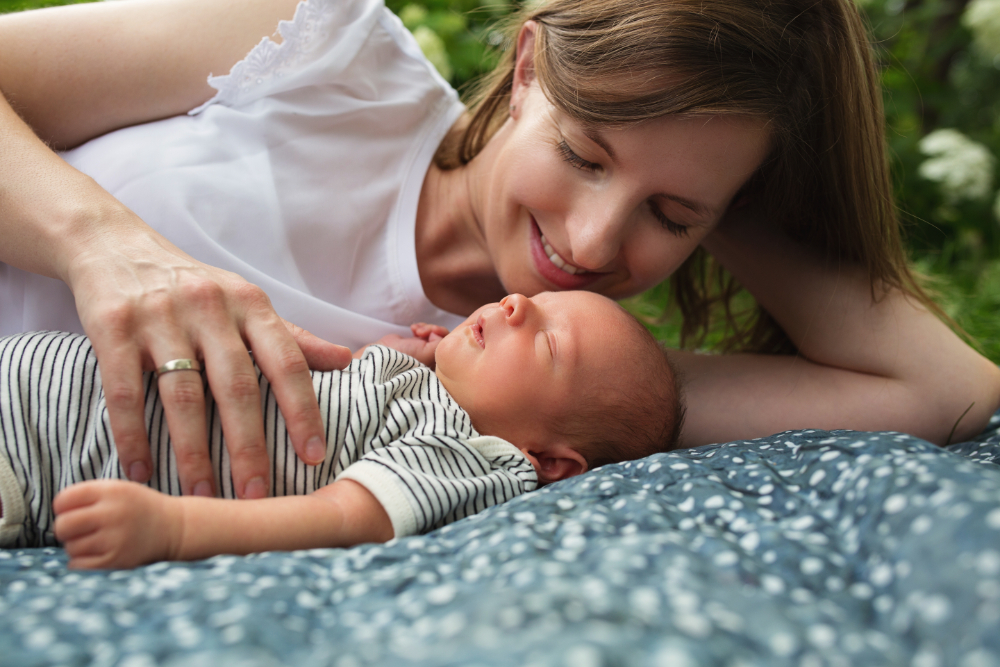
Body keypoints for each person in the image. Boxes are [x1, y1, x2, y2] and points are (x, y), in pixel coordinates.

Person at [1, 0, 997, 501]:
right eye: (582, 153)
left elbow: (946, 393)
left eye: (672, 216)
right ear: (526, 67)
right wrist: (99, 245)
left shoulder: (563, 392)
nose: (591, 240)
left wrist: (733, 168)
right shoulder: (320, 53)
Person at [0, 291, 683, 568]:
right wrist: (422, 355)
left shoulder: (477, 460)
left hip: (32, 459)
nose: (514, 303)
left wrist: (173, 529)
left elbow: (340, 514)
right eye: (532, 300)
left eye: (548, 343)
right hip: (36, 375)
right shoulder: (430, 388)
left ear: (552, 462)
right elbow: (356, 397)